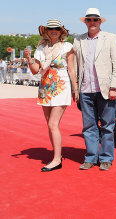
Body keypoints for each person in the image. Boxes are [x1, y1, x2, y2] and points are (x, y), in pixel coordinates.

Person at [24, 19, 78, 172]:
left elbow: (72, 70)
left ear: (61, 31)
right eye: (50, 28)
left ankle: (56, 159)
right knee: (50, 124)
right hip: (45, 87)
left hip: (61, 86)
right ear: (46, 31)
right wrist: (28, 59)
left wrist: (75, 88)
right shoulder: (41, 48)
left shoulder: (67, 47)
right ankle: (56, 156)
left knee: (53, 124)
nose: (53, 31)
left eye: (57, 28)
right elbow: (35, 70)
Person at [73, 8, 116, 171]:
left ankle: (106, 158)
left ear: (100, 21)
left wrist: (114, 87)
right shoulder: (78, 40)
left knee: (108, 126)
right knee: (88, 126)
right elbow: (74, 65)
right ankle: (91, 157)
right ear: (85, 22)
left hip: (106, 89)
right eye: (89, 20)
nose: (92, 22)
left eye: (95, 19)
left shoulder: (111, 38)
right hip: (85, 89)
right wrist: (75, 88)